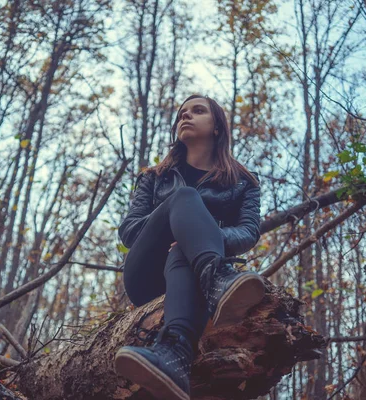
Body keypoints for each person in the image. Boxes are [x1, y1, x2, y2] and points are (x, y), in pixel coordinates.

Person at [113, 94, 265, 400]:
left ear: (217, 127)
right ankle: (217, 280)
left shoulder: (243, 182)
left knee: (184, 248)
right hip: (146, 275)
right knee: (184, 198)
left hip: (189, 271)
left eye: (197, 111)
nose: (186, 116)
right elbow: (129, 231)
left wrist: (196, 238)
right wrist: (177, 224)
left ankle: (174, 357)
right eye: (182, 112)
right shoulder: (153, 177)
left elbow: (249, 232)